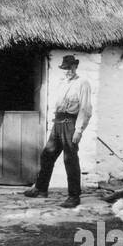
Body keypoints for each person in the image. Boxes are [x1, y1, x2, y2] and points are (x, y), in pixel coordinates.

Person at [24, 54, 92, 207]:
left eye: (70, 67)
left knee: (70, 159)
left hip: (71, 124)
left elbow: (85, 109)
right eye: (65, 68)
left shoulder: (83, 83)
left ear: (76, 67)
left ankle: (74, 196)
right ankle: (41, 189)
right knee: (47, 155)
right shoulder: (62, 83)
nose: (68, 71)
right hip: (58, 123)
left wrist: (79, 130)